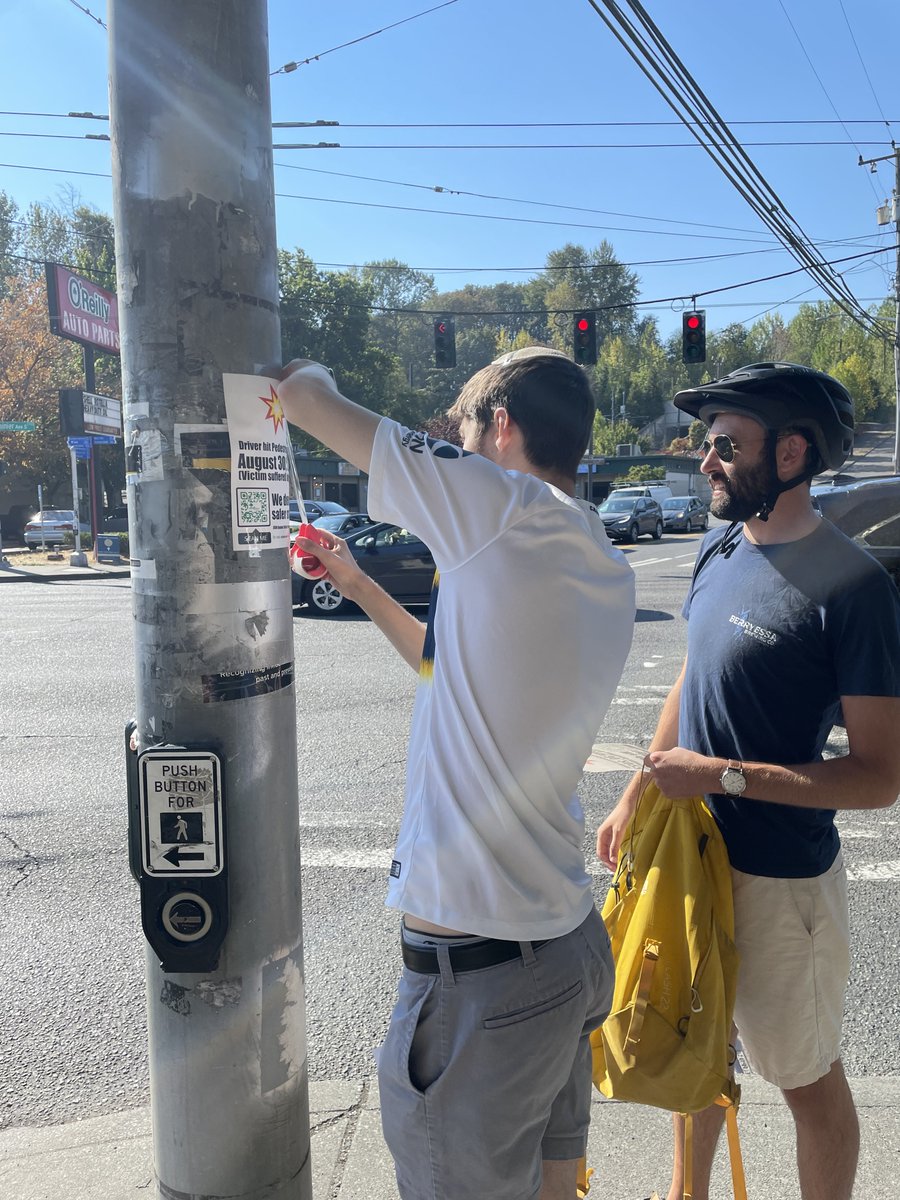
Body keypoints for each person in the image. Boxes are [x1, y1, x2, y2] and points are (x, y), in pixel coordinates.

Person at [277, 347, 636, 1200]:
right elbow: (448, 670)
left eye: (467, 431)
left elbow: (307, 401)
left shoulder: (508, 508)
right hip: (560, 948)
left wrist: (308, 376)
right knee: (552, 1185)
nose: (462, 451)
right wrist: (360, 584)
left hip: (486, 976)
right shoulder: (594, 558)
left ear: (502, 428)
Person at [596, 362, 900, 1200]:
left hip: (781, 882)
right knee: (694, 1055)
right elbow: (693, 675)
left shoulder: (856, 589)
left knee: (806, 1080)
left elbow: (879, 777)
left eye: (726, 444)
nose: (705, 460)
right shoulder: (719, 543)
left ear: (793, 453)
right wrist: (638, 793)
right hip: (691, 861)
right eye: (707, 442)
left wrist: (720, 777)